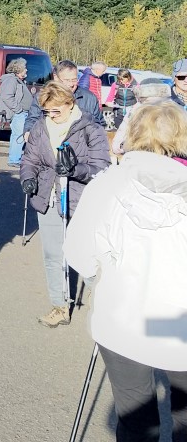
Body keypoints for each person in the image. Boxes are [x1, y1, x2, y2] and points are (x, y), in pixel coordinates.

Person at [65, 103, 187, 442]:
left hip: (123, 319)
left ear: (132, 134)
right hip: (180, 323)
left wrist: (99, 277)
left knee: (136, 421)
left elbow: (79, 255)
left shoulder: (106, 185)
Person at [20, 81, 110, 328]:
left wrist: (76, 170)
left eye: (56, 111)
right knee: (52, 256)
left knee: (86, 255)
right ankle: (59, 306)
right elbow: (29, 159)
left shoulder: (90, 128)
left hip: (80, 199)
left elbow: (102, 168)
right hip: (48, 196)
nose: (51, 115)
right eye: (47, 111)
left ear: (70, 104)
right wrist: (28, 178)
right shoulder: (41, 127)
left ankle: (104, 301)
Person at [26, 60, 104, 131]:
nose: (71, 84)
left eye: (74, 80)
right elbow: (32, 120)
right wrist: (28, 132)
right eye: (67, 80)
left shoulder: (90, 98)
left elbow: (99, 124)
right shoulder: (42, 96)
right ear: (56, 77)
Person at [111, 78, 174, 157]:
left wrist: (119, 145)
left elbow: (125, 127)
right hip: (149, 150)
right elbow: (125, 126)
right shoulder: (136, 108)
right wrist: (118, 144)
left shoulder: (169, 108)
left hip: (161, 150)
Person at [0, 58, 33, 167]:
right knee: (19, 136)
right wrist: (18, 109)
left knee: (16, 136)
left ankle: (14, 158)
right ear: (18, 69)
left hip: (22, 113)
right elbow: (6, 96)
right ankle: (14, 160)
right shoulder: (11, 80)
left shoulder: (18, 81)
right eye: (24, 68)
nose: (26, 70)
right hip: (19, 114)